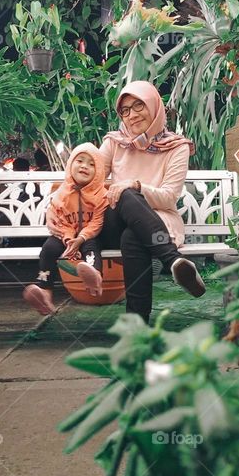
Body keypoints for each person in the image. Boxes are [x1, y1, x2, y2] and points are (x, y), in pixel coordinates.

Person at [98, 80, 205, 325]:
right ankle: (173, 260)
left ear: (155, 106)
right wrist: (126, 189)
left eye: (139, 106)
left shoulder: (177, 147)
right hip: (114, 222)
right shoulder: (114, 142)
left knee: (133, 235)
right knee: (126, 194)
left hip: (158, 222)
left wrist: (136, 186)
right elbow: (93, 181)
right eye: (125, 110)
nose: (132, 115)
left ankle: (137, 324)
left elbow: (168, 197)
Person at [23, 143, 108, 315]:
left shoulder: (101, 194)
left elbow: (97, 222)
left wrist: (81, 238)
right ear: (70, 165)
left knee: (91, 248)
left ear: (98, 171)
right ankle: (45, 291)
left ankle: (94, 275)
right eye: (80, 161)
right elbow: (59, 219)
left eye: (91, 164)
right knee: (48, 249)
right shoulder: (62, 192)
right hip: (65, 235)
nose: (84, 166)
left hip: (88, 236)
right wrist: (69, 240)